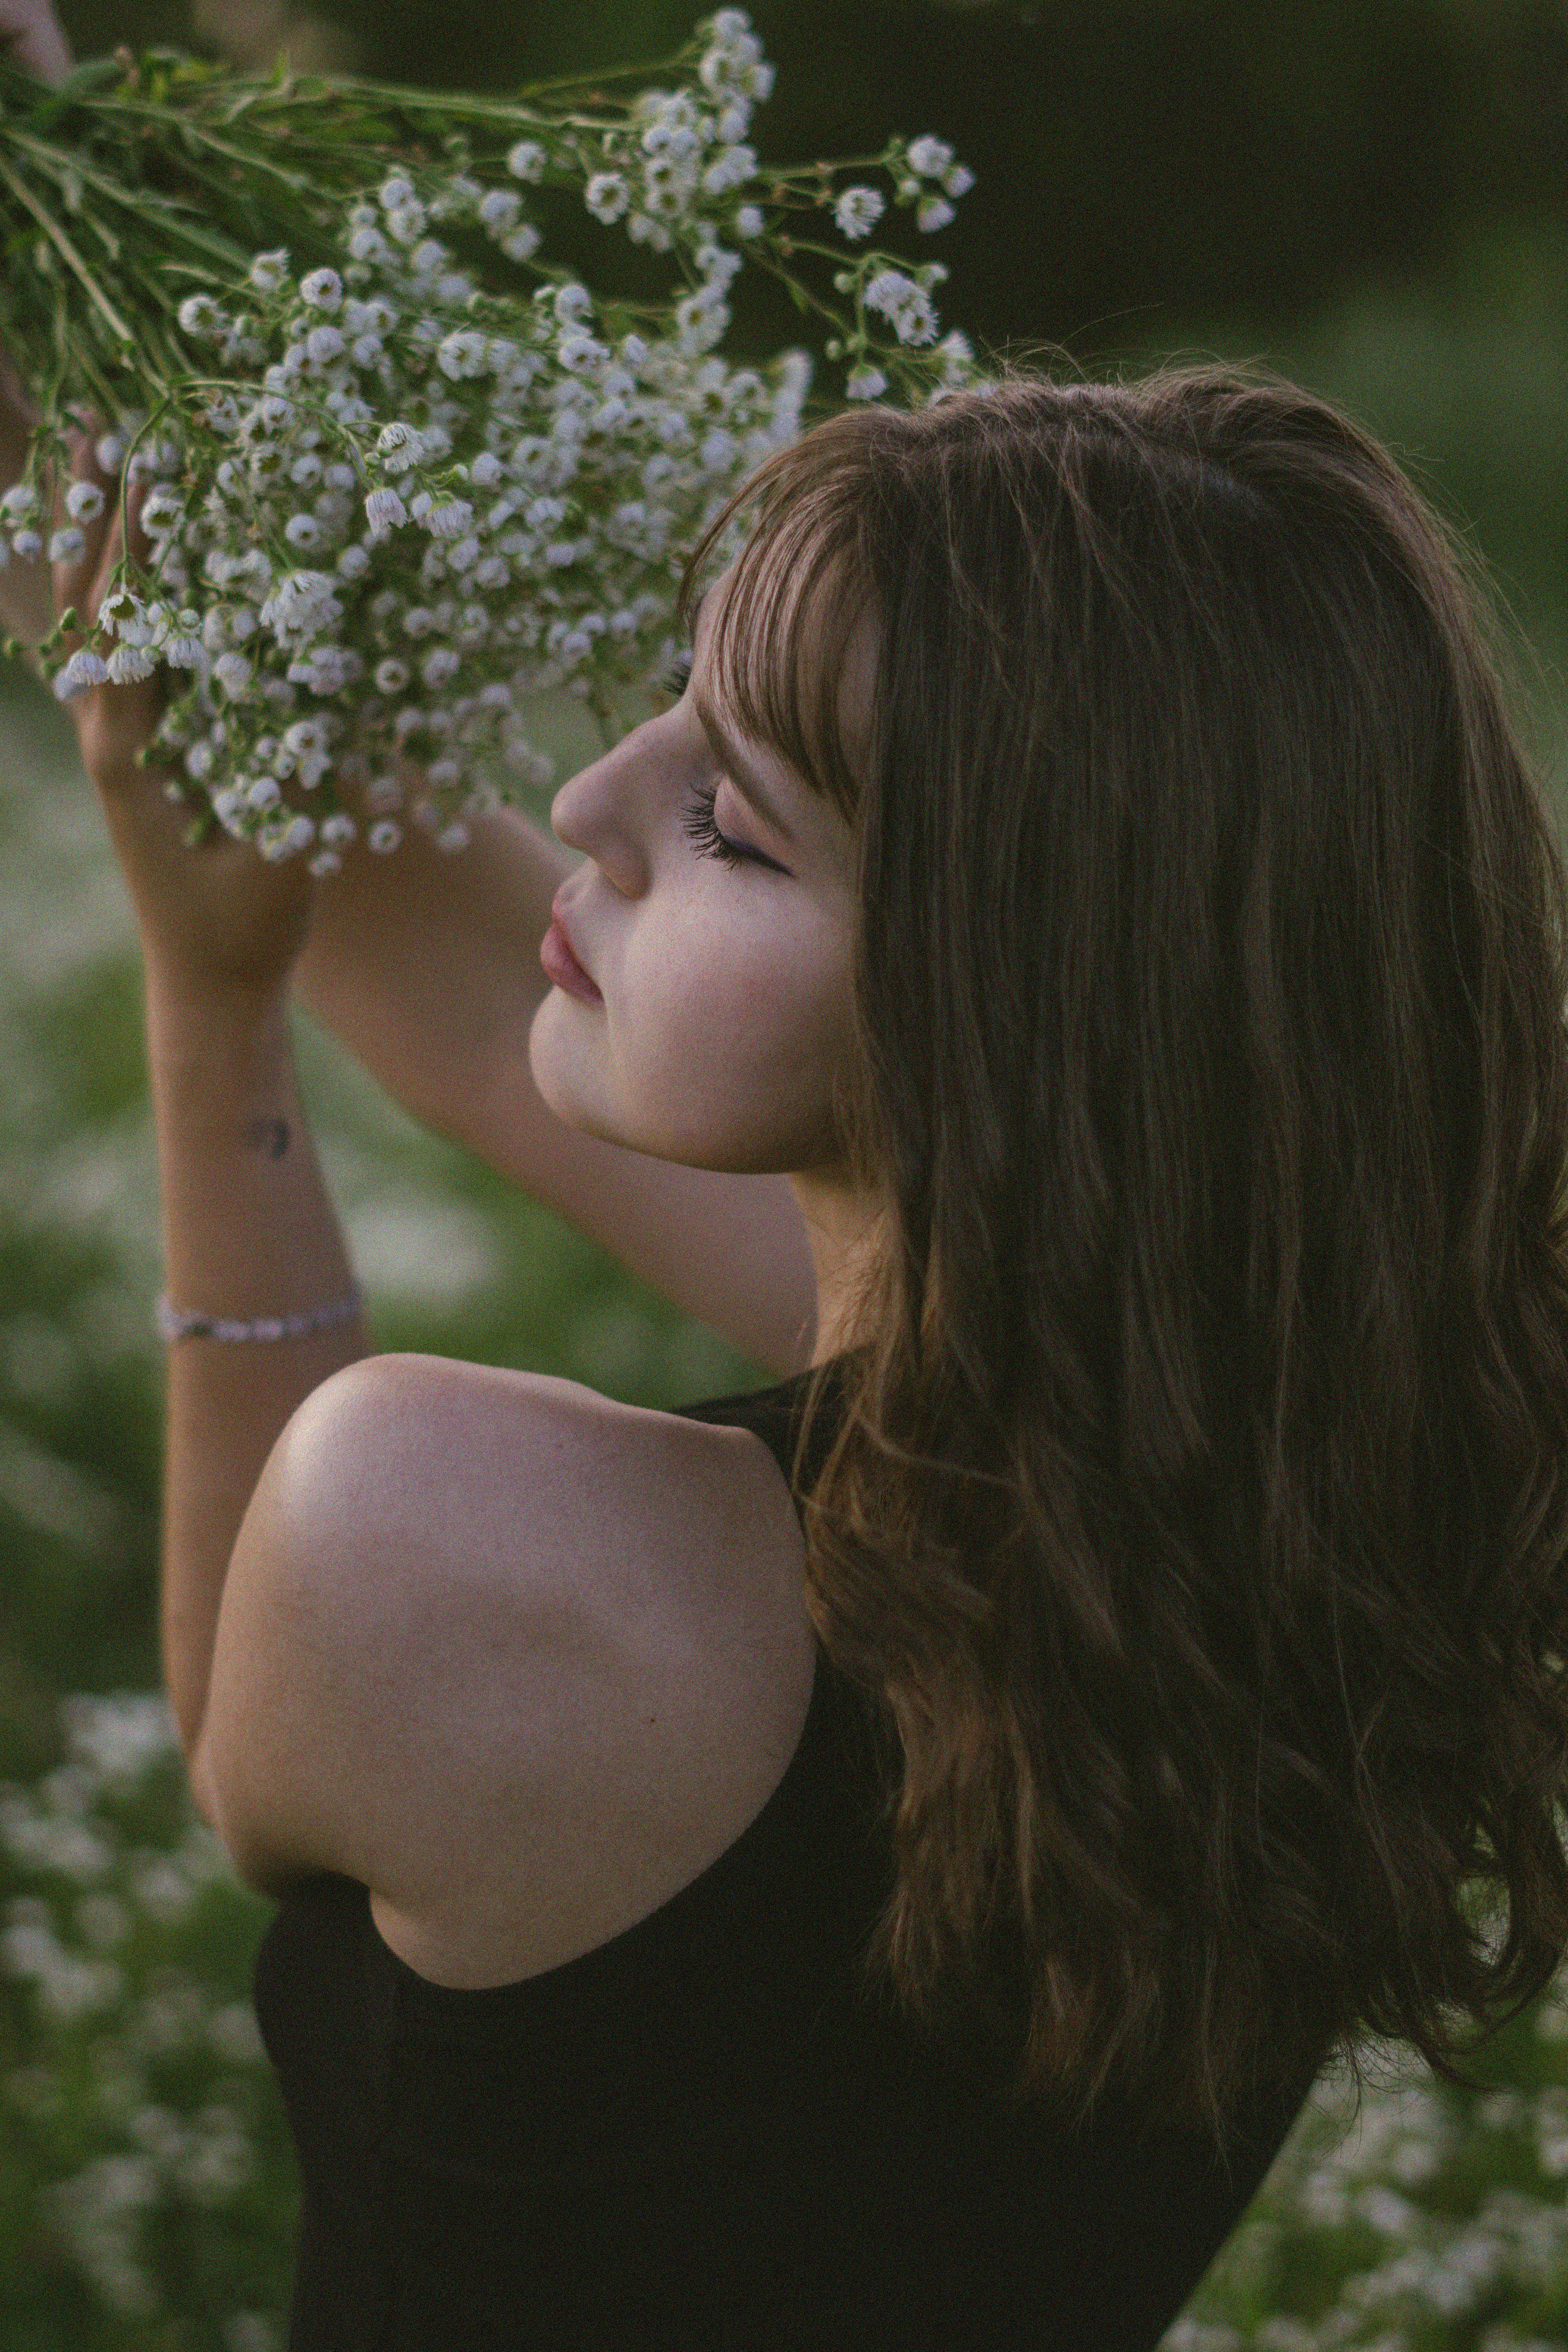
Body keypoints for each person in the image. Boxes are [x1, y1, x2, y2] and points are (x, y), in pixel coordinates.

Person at [9, 9, 1568, 2347]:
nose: (606, 802)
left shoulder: (455, 1551)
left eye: (734, 815)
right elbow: (467, 968)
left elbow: (257, 1752)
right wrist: (64, 294)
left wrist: (212, 1016)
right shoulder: (1327, 1494)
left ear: (1008, 1018)